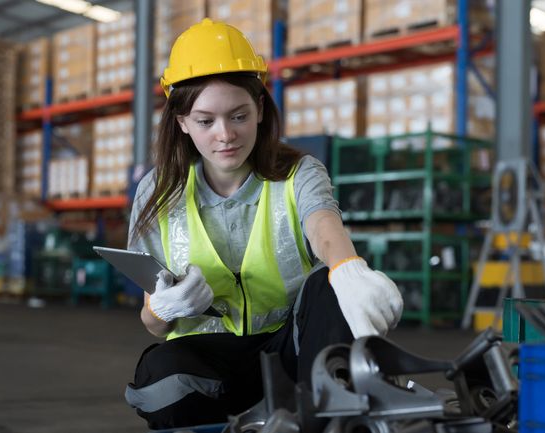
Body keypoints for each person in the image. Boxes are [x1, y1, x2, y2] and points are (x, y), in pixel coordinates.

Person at [123, 19, 404, 429]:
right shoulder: (157, 191)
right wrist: (162, 309)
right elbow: (152, 325)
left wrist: (349, 270)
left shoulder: (298, 172)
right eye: (205, 121)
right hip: (207, 360)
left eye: (239, 115)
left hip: (291, 352)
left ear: (259, 109)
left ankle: (328, 418)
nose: (225, 135)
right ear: (181, 122)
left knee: (329, 286)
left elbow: (324, 225)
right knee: (159, 376)